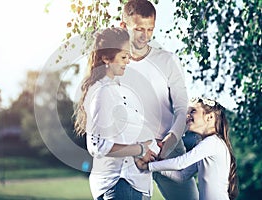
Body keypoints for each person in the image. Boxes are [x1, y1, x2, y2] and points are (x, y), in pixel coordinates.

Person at [119, 0, 199, 199]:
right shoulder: (114, 65)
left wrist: (170, 140)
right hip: (132, 153)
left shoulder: (167, 60)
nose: (145, 36)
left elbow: (182, 108)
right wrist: (137, 147)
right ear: (123, 27)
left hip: (170, 150)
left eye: (150, 29)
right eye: (138, 29)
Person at [73, 27, 159, 200]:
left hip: (131, 184)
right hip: (122, 184)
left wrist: (149, 144)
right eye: (123, 57)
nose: (128, 61)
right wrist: (141, 150)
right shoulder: (104, 92)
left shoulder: (117, 90)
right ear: (106, 58)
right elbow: (98, 145)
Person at [135, 97, 239, 200]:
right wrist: (158, 167)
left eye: (193, 111)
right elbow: (182, 175)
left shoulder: (213, 142)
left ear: (210, 117)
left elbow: (181, 163)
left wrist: (149, 166)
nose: (187, 115)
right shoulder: (208, 145)